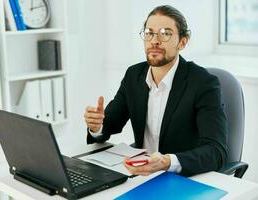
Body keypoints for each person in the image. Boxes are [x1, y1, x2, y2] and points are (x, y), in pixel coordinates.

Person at [84, 5, 228, 177]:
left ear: (183, 41)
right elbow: (110, 124)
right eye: (149, 33)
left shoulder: (203, 83)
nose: (154, 40)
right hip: (141, 174)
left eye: (165, 33)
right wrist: (97, 126)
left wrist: (167, 162)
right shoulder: (134, 75)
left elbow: (216, 152)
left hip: (181, 177)